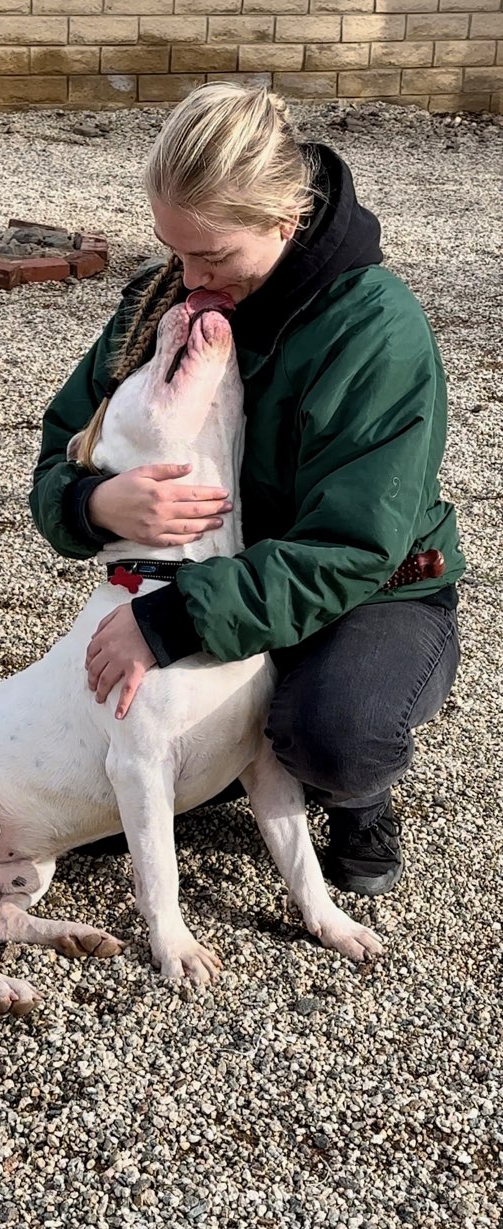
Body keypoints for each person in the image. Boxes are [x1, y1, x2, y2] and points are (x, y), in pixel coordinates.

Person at [28, 84, 463, 898]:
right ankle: (220, 757)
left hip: (374, 591)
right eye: (174, 252)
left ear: (284, 222)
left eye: (214, 257)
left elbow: (354, 546)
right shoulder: (166, 299)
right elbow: (63, 446)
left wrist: (170, 619)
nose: (190, 280)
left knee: (330, 732)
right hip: (223, 571)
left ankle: (357, 793)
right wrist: (92, 504)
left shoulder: (377, 329)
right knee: (100, 772)